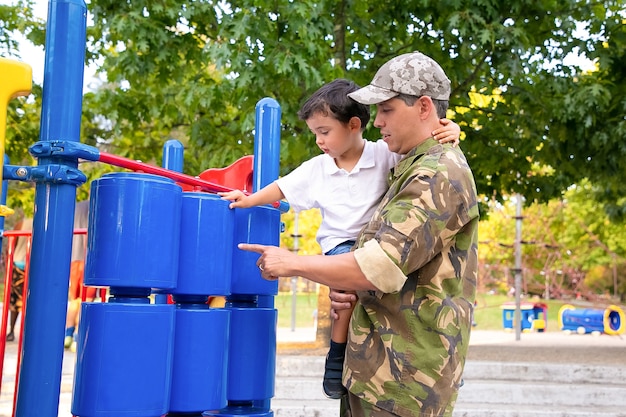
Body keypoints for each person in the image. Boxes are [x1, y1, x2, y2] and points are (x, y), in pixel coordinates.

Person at [239, 51, 479, 417]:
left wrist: (291, 263)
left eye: (387, 110)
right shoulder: (410, 164)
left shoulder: (435, 173)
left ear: (424, 107)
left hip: (403, 381)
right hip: (381, 370)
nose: (377, 121)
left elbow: (375, 266)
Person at [64, 199, 96, 349]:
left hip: (73, 257)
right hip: (88, 258)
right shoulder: (96, 206)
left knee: (75, 299)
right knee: (87, 298)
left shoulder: (75, 207)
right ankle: (77, 336)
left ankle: (68, 334)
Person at [5, 217, 33, 342]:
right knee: (29, 300)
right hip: (32, 265)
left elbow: (11, 245)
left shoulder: (20, 224)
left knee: (14, 301)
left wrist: (8, 264)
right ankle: (27, 331)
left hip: (18, 264)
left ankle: (11, 331)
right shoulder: (43, 224)